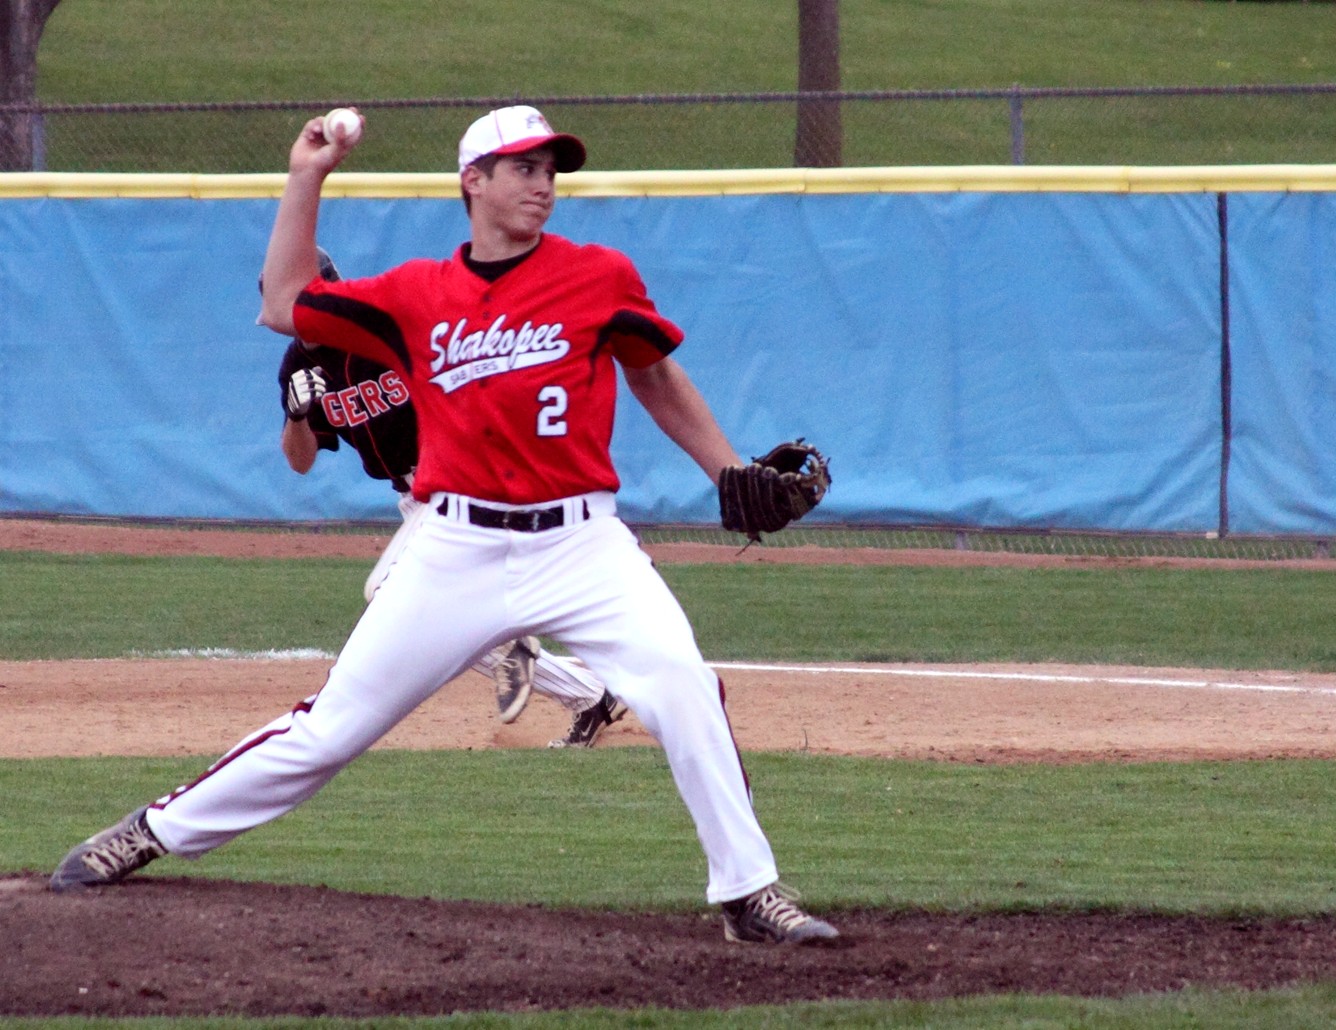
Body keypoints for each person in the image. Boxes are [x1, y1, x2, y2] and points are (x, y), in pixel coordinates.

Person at [51, 105, 841, 944]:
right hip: (455, 547)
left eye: (550, 170)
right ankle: (152, 830)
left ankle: (749, 894)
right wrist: (307, 173)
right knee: (329, 730)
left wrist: (725, 469)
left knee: (684, 686)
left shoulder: (598, 275)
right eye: (524, 168)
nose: (543, 184)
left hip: (582, 544)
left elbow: (653, 374)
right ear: (474, 181)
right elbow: (284, 301)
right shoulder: (415, 295)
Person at [277, 249, 628, 749]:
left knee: (389, 594)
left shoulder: (382, 331)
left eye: (318, 288)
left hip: (459, 475)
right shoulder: (297, 367)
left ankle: (531, 646)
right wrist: (296, 417)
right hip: (416, 498)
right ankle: (589, 692)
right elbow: (300, 461)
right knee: (437, 617)